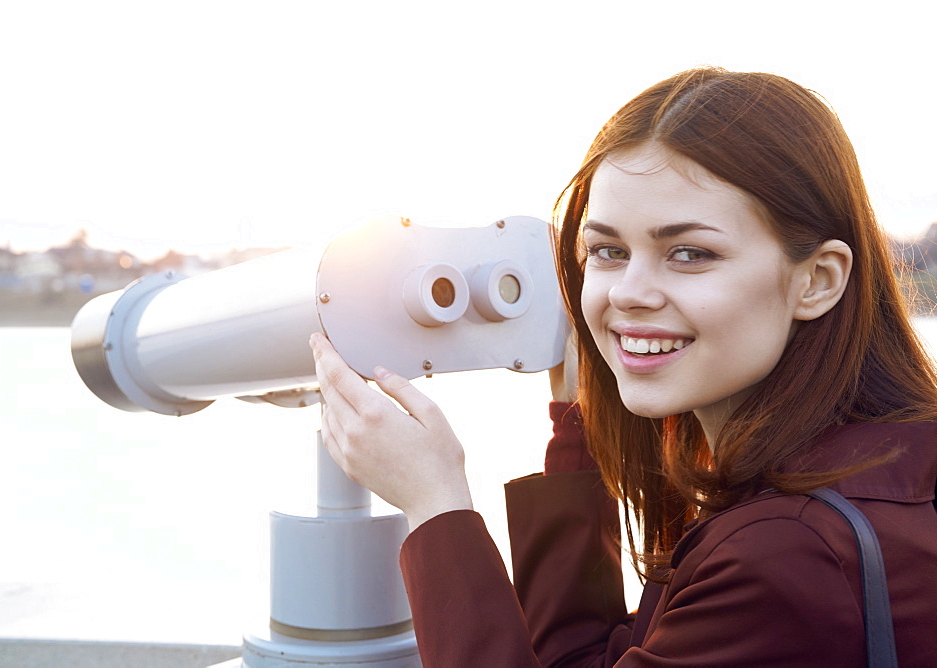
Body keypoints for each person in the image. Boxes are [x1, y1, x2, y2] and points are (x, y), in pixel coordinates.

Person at [309, 67, 937, 666]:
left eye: (690, 253)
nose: (627, 292)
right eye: (607, 250)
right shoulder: (879, 470)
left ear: (817, 281)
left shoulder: (787, 551)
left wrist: (435, 503)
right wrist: (577, 421)